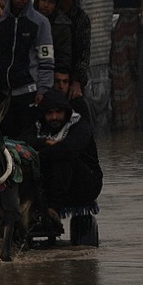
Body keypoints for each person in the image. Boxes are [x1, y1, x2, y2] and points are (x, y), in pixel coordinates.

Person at [0, 0, 54, 144]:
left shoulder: (40, 23)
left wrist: (43, 90)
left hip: (29, 94)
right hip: (3, 95)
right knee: (3, 144)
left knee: (28, 145)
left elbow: (46, 60)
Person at [34, 88, 101, 216]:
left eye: (58, 112)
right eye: (50, 113)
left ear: (66, 112)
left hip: (84, 183)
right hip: (50, 182)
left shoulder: (80, 126)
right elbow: (22, 141)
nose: (54, 117)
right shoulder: (39, 126)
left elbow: (68, 149)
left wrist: (40, 155)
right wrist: (43, 143)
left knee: (63, 157)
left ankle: (54, 209)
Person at [40, 0, 92, 100]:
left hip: (69, 81)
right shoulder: (45, 13)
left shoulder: (80, 18)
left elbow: (83, 53)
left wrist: (76, 81)